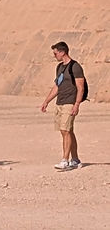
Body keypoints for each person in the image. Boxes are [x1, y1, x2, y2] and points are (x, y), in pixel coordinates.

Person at [40, 41, 85, 170]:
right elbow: (57, 87)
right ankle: (75, 160)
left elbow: (80, 88)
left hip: (70, 103)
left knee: (66, 131)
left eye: (55, 53)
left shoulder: (75, 67)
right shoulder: (59, 67)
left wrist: (76, 104)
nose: (54, 56)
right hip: (60, 102)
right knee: (67, 131)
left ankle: (65, 160)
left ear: (62, 52)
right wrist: (46, 101)